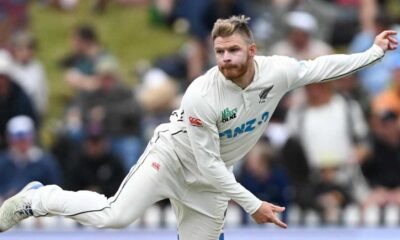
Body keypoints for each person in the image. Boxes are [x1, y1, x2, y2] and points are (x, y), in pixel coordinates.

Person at [0, 15, 397, 239]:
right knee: (114, 216)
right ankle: (39, 198)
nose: (225, 58)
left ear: (252, 51)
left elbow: (321, 68)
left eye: (233, 50)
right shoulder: (200, 94)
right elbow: (207, 165)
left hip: (210, 180)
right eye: (219, 51)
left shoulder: (278, 72)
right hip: (172, 158)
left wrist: (373, 52)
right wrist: (252, 203)